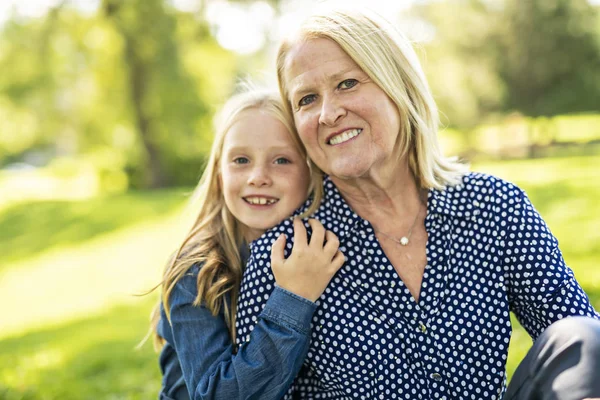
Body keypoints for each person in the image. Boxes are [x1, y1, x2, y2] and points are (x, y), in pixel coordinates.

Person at [234, 5, 600, 400]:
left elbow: (582, 351)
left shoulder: (494, 206)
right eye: (306, 99)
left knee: (581, 336)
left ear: (399, 86)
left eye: (347, 83)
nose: (328, 112)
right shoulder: (287, 254)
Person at [150, 88, 345, 400]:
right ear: (219, 174)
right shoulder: (195, 272)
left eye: (281, 160)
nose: (258, 177)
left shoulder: (320, 251)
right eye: (241, 160)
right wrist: (294, 298)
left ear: (311, 173)